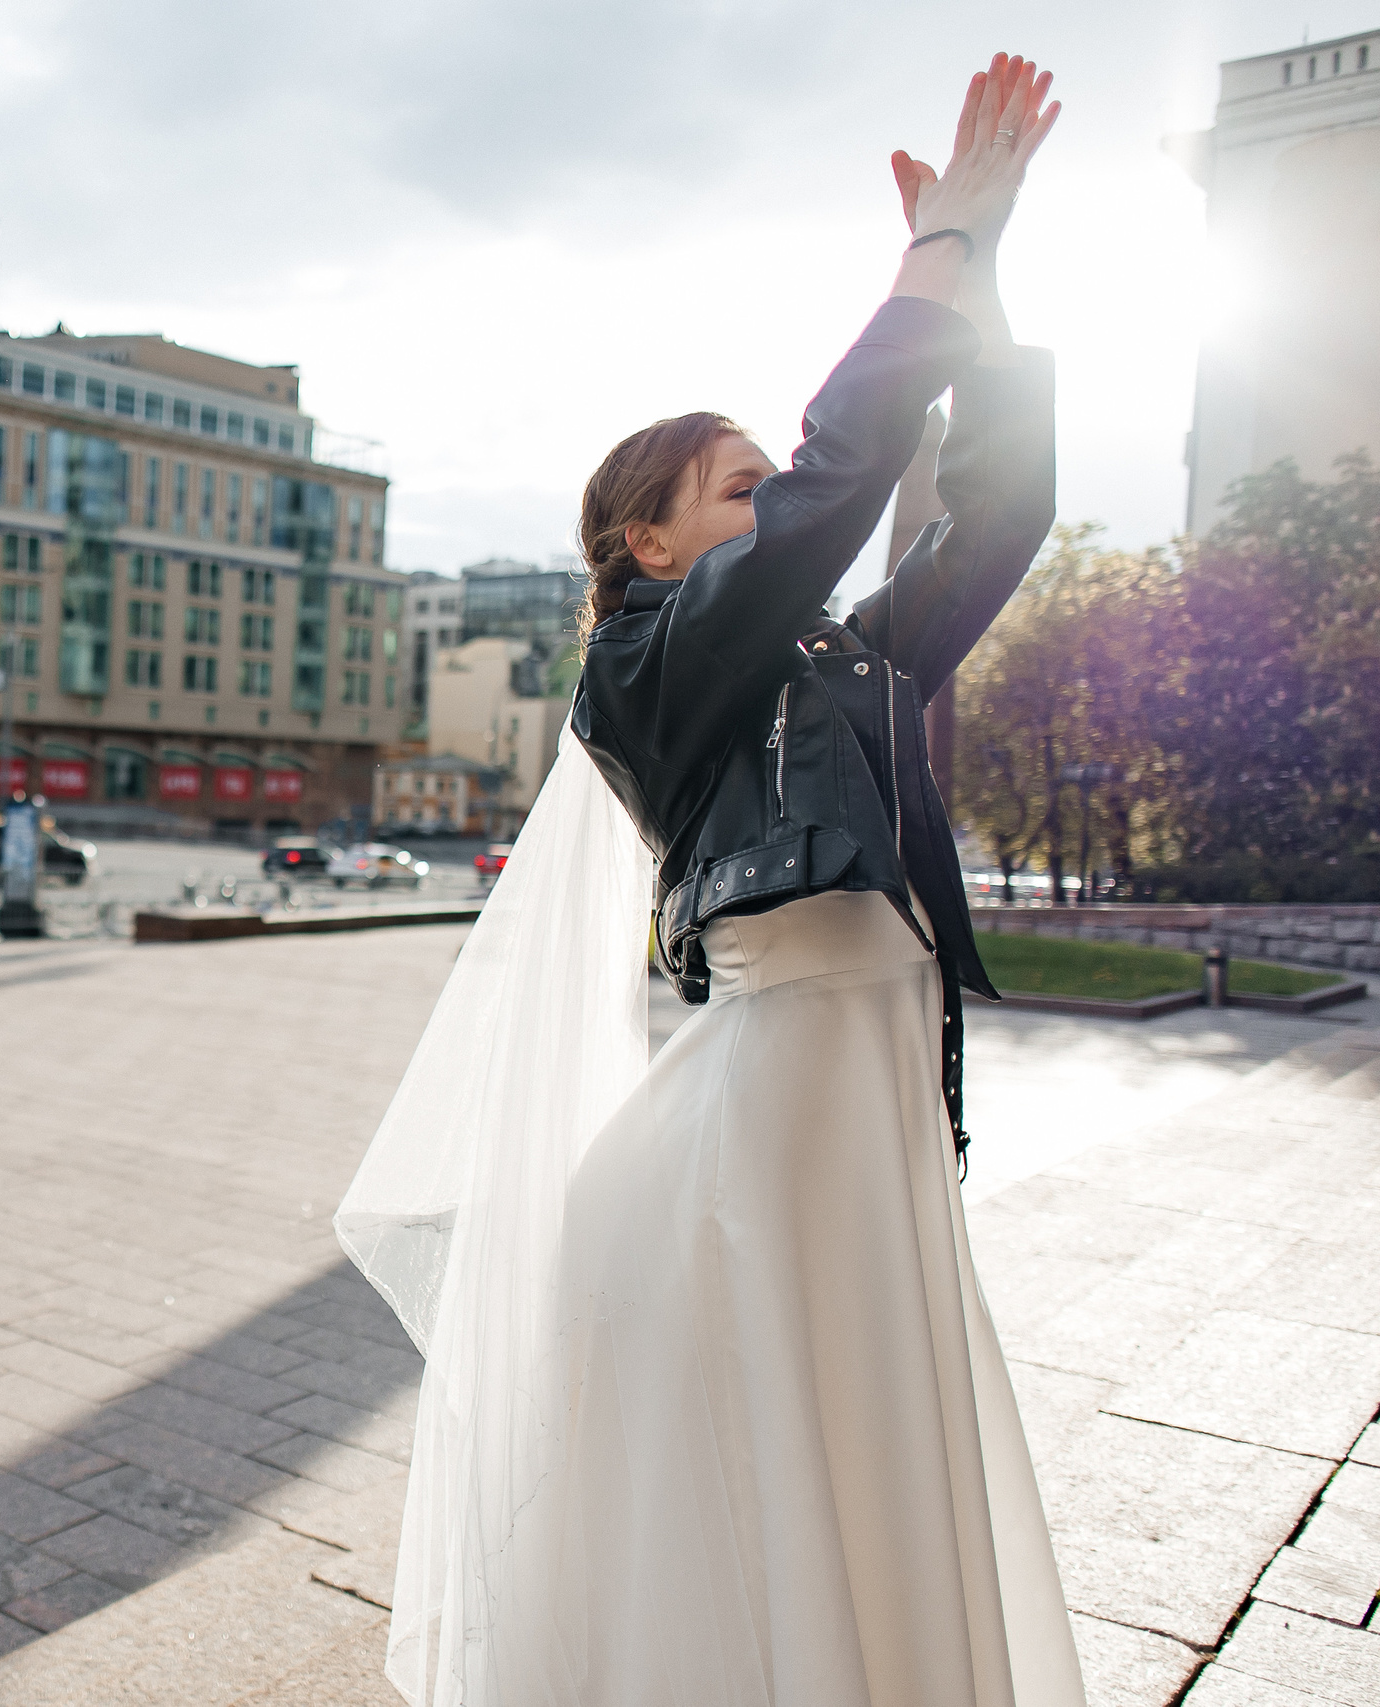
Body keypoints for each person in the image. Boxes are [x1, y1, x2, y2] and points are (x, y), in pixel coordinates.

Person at [336, 56, 1082, 1707]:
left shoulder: (848, 659)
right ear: (650, 544)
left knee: (859, 1478)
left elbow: (999, 509)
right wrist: (931, 258)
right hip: (764, 1128)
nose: (782, 508)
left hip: (862, 1115)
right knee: (765, 1513)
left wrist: (982, 277)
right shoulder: (647, 672)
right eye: (738, 490)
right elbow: (839, 482)